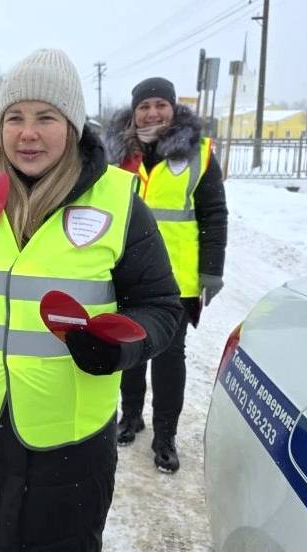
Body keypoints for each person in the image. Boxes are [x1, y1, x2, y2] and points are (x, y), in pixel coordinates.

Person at [0, 49, 182, 552]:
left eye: (46, 118)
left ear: (73, 125)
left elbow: (160, 308)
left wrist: (119, 348)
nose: (27, 134)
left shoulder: (119, 202)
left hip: (69, 451)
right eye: (15, 118)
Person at [105, 76, 228, 473]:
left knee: (169, 357)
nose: (152, 113)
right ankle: (132, 416)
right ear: (133, 111)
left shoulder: (199, 154)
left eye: (160, 104)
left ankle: (165, 436)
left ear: (174, 109)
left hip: (175, 281)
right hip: (123, 274)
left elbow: (213, 215)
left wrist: (211, 270)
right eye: (144, 106)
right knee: (129, 352)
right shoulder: (117, 155)